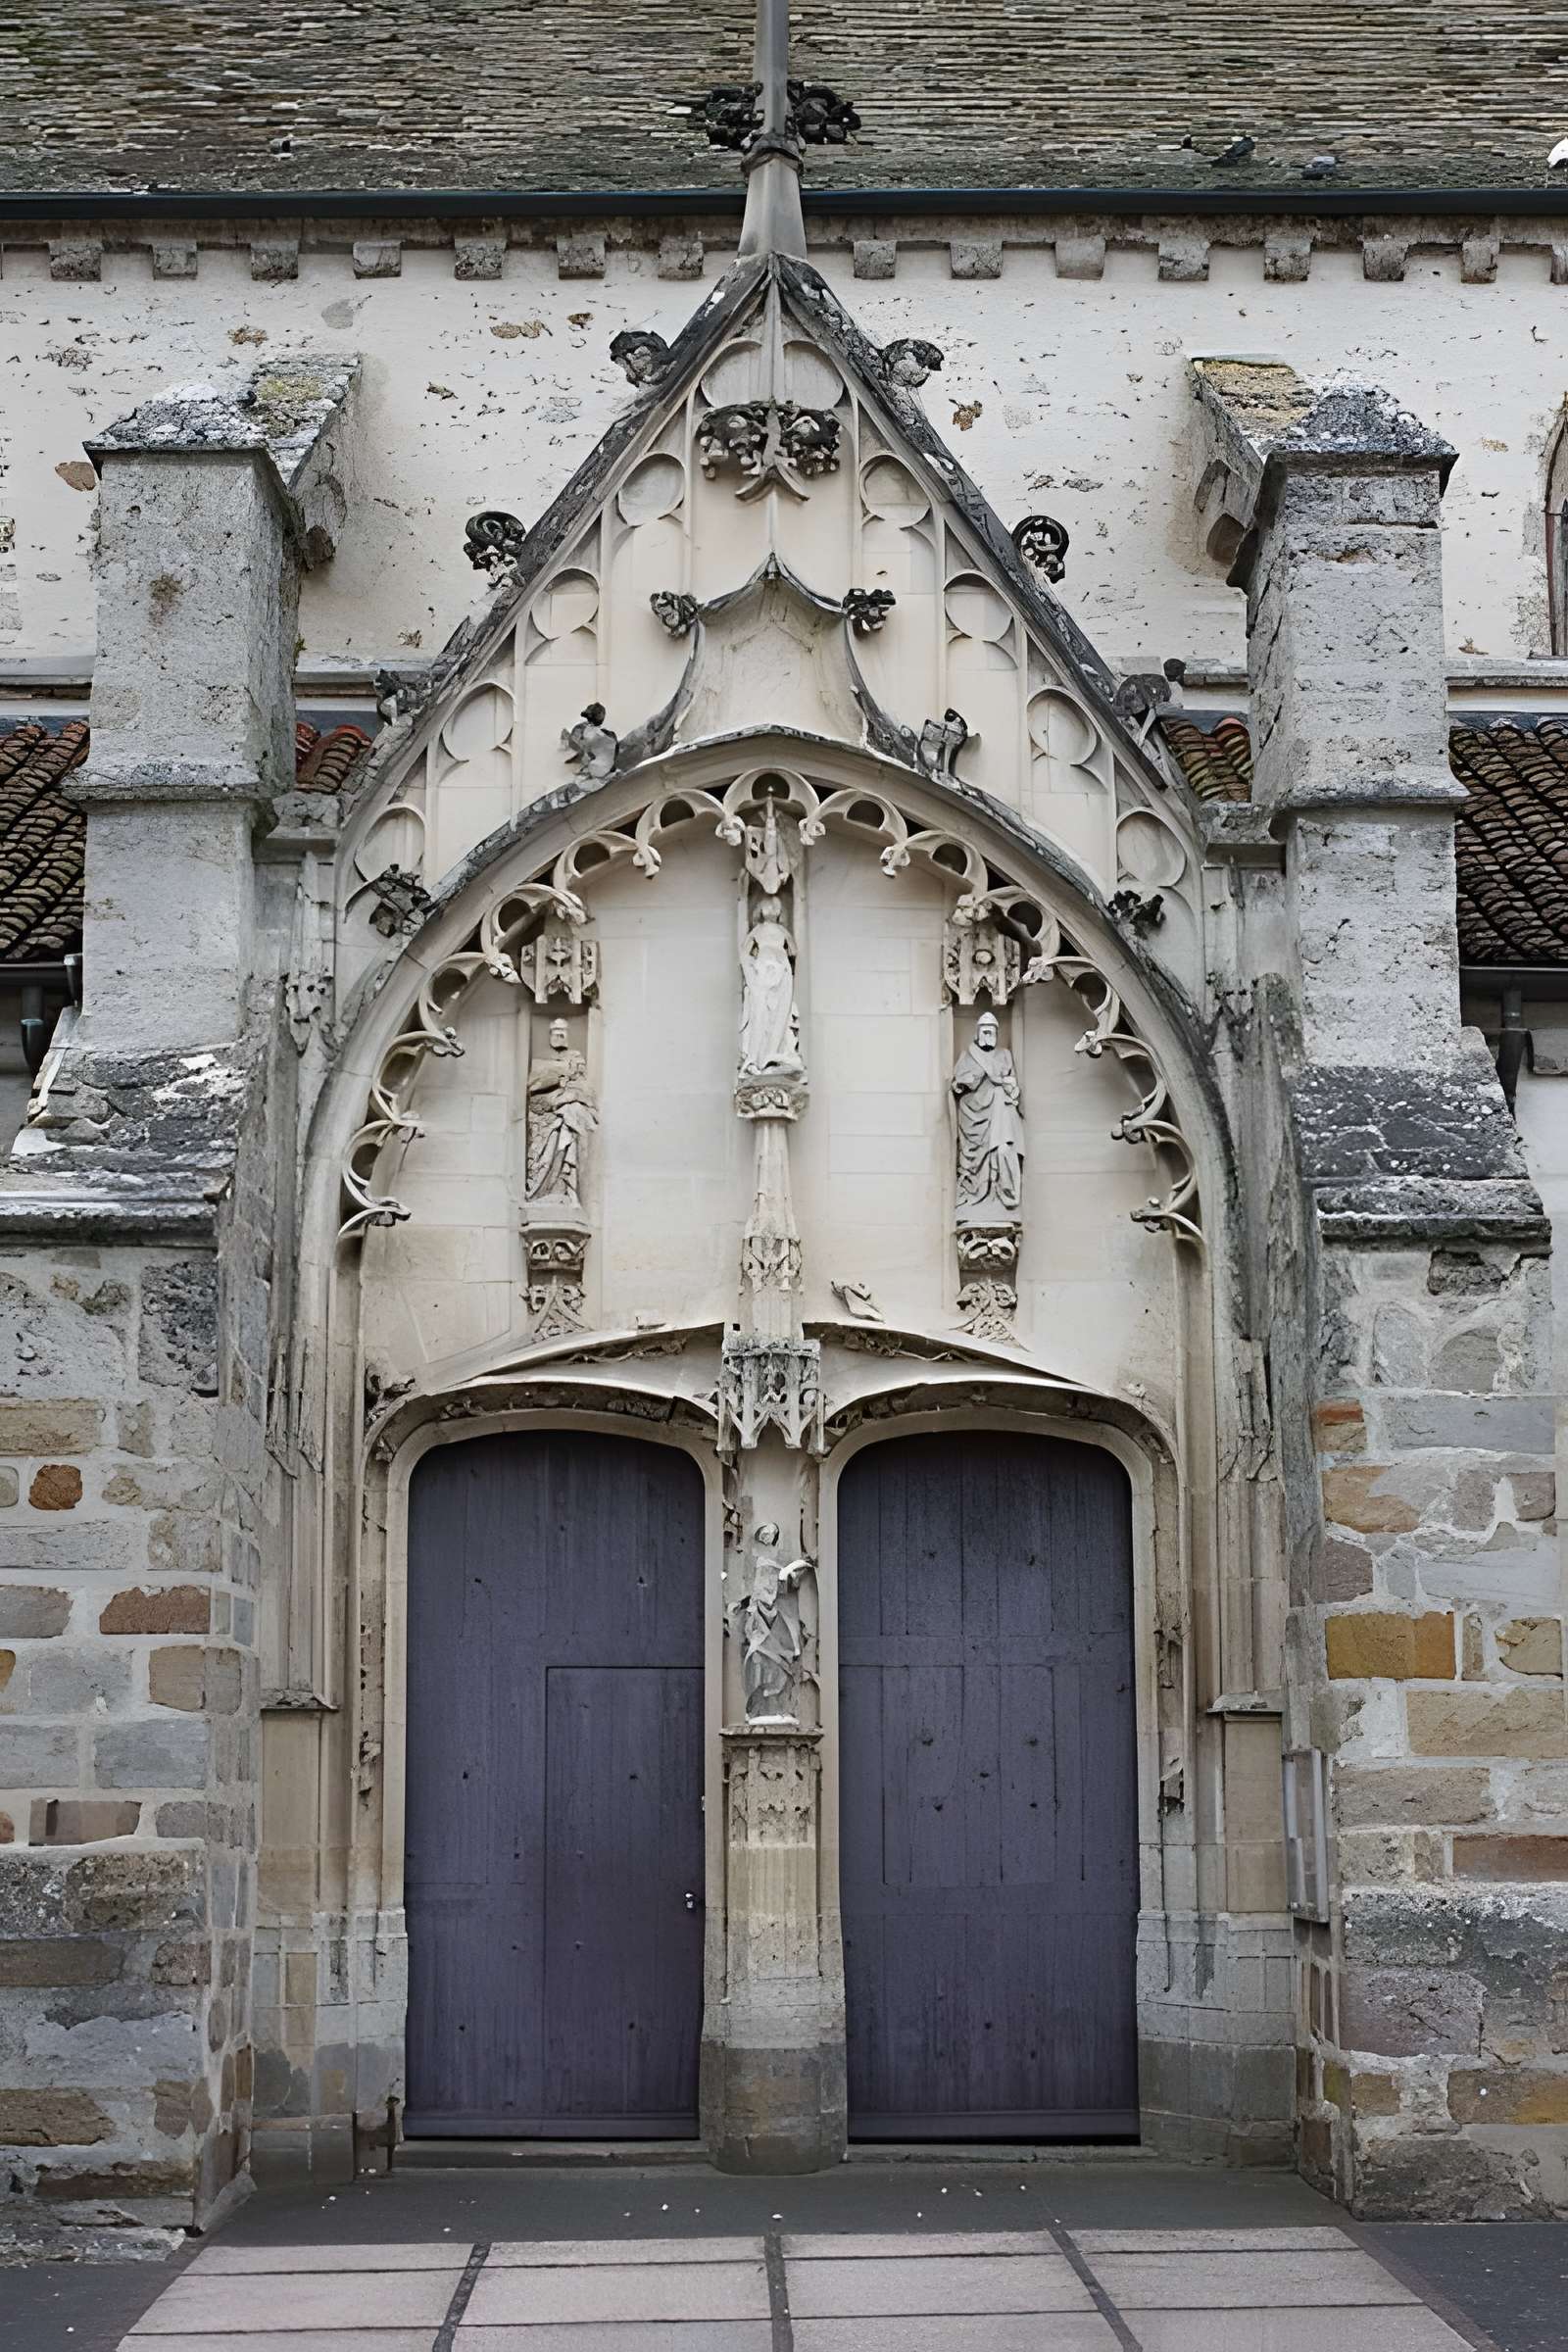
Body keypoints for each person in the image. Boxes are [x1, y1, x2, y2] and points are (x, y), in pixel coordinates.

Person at [952, 1009, 1024, 1217]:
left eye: (991, 1032)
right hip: (973, 1115)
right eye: (984, 1032)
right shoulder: (968, 1055)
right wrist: (969, 1080)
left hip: (999, 1113)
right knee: (974, 1160)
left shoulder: (1004, 1055)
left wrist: (1008, 1085)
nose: (987, 1036)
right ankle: (973, 1189)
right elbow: (957, 1083)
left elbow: (1013, 1085)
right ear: (977, 1033)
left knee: (1002, 1150)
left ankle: (1002, 1193)